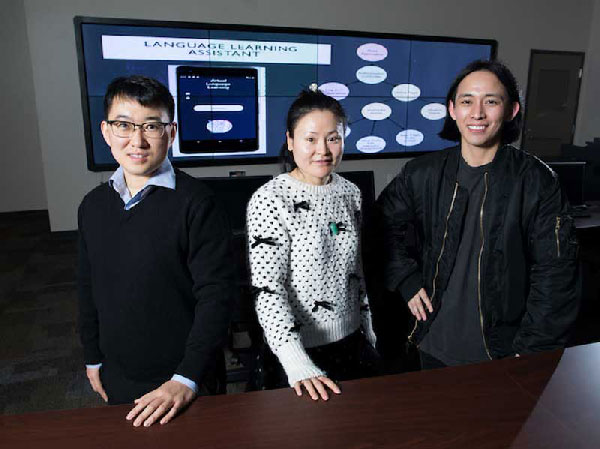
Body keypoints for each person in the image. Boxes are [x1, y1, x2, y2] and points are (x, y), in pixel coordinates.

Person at [376, 60, 579, 370]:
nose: (478, 113)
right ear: (452, 109)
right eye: (467, 101)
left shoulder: (537, 182)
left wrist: (530, 354)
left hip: (503, 353)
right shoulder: (422, 173)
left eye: (491, 101)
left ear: (511, 110)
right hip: (431, 341)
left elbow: (556, 276)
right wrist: (405, 277)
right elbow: (382, 224)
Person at [78, 75, 235, 426]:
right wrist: (93, 358)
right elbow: (87, 287)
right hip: (118, 374)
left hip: (186, 380)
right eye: (123, 125)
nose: (137, 140)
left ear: (171, 132)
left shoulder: (198, 204)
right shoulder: (92, 205)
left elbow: (217, 296)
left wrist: (187, 377)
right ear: (106, 131)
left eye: (151, 126)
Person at [246, 87, 379, 400]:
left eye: (333, 138)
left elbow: (357, 274)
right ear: (291, 141)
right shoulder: (270, 200)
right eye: (310, 139)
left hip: (352, 346)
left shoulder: (351, 193)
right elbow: (268, 290)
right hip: (296, 355)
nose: (323, 149)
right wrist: (297, 363)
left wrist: (371, 333)